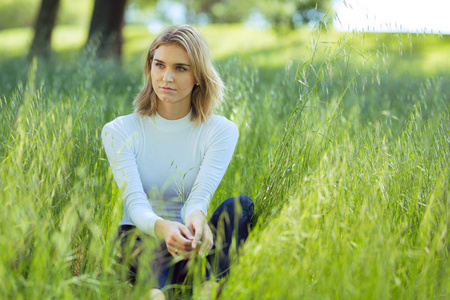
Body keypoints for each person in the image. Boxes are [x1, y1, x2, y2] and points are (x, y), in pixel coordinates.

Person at [101, 24, 254, 299]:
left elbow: (200, 196)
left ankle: (207, 289)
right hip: (141, 240)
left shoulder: (221, 131)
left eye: (180, 68)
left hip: (192, 245)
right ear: (150, 68)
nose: (166, 77)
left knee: (239, 206)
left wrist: (196, 221)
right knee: (137, 237)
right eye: (159, 65)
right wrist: (164, 228)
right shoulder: (119, 130)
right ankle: (155, 292)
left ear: (198, 75)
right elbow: (135, 204)